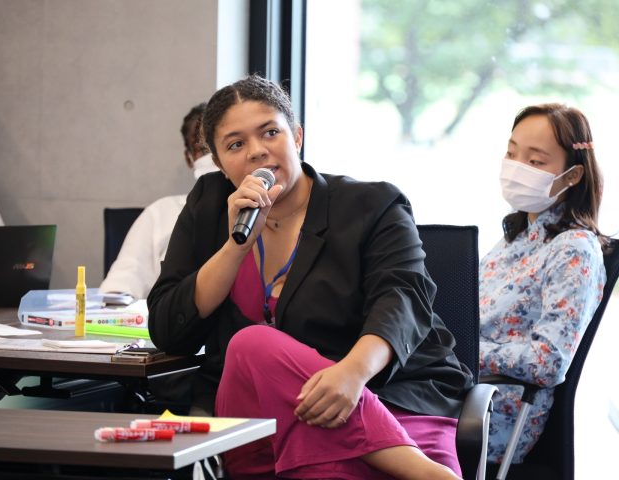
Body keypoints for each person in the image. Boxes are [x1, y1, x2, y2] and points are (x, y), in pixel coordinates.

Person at [148, 75, 473, 480]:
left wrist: (352, 372)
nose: (257, 152)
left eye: (270, 132)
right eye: (235, 144)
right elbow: (168, 328)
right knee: (251, 345)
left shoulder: (371, 204)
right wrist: (235, 248)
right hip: (264, 416)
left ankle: (402, 458)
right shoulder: (210, 206)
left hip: (384, 394)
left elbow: (402, 298)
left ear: (297, 136)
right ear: (217, 162)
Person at [479, 103, 609, 465]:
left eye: (535, 162)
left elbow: (548, 361)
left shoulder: (574, 250)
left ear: (572, 176)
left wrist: (464, 351)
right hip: (455, 390)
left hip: (497, 412)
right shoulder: (515, 238)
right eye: (511, 153)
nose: (517, 167)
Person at [100, 102, 218, 299]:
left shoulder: (266, 214)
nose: (214, 159)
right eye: (203, 150)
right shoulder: (160, 214)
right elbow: (120, 289)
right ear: (189, 158)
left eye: (224, 146)